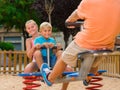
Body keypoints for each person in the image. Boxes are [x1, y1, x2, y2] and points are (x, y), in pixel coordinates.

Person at [42, 0, 120, 86]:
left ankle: (50, 78)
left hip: (86, 42)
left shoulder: (89, 2)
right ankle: (88, 78)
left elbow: (76, 13)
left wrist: (70, 20)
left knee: (64, 57)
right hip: (107, 45)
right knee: (95, 61)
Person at [33, 22, 72, 90]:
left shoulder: (52, 40)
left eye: (49, 30)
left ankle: (58, 70)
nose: (47, 32)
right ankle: (43, 72)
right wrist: (43, 45)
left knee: (60, 52)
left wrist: (55, 47)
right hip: (43, 60)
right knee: (37, 53)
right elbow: (37, 47)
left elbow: (54, 52)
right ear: (41, 32)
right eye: (45, 31)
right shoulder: (37, 39)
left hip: (51, 59)